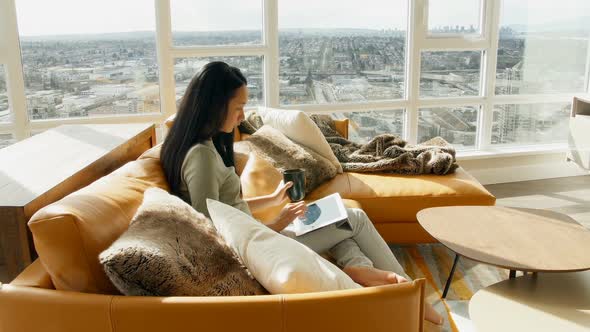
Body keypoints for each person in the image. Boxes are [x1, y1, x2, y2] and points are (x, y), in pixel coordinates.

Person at [161, 61, 443, 325]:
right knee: (352, 218)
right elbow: (210, 230)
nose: (242, 117)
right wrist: (275, 224)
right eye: (238, 107)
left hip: (261, 237)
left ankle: (359, 269)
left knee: (340, 224)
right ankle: (410, 293)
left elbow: (227, 209)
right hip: (262, 247)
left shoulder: (204, 147)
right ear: (214, 105)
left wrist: (270, 201)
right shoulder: (200, 156)